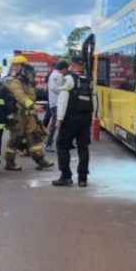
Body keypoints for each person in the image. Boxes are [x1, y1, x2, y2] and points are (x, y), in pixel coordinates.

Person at [4, 62, 54, 171]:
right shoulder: (15, 83)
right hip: (18, 115)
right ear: (23, 73)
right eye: (29, 74)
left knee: (35, 135)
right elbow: (20, 97)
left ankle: (40, 160)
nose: (31, 76)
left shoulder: (30, 84)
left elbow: (32, 95)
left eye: (32, 74)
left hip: (30, 114)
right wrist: (33, 106)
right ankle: (9, 162)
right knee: (16, 138)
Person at [52, 56, 93, 187]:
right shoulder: (90, 80)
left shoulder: (69, 79)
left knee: (62, 145)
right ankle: (83, 178)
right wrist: (94, 117)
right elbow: (95, 100)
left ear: (72, 65)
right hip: (86, 118)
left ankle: (66, 176)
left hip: (71, 118)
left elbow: (62, 99)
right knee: (83, 147)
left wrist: (59, 119)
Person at [44, 60, 69, 152]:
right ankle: (48, 144)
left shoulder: (58, 75)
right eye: (67, 69)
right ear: (64, 68)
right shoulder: (55, 75)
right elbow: (53, 88)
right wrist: (64, 90)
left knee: (59, 124)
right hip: (56, 103)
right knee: (54, 124)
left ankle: (62, 142)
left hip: (57, 103)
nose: (67, 71)